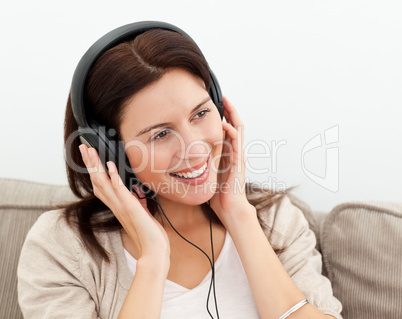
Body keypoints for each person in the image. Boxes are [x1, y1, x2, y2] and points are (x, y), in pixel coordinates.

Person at [17, 21, 342, 319]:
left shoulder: (275, 220)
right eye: (160, 134)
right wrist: (152, 260)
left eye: (201, 113)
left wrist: (239, 217)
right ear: (109, 153)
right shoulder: (61, 245)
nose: (196, 148)